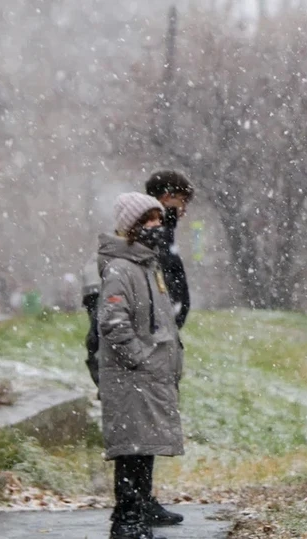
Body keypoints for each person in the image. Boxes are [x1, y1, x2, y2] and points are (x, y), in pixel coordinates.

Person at [98, 192, 185, 539]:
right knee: (131, 448)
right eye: (148, 220)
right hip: (132, 376)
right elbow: (113, 321)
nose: (156, 227)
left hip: (148, 377)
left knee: (144, 444)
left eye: (158, 219)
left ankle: (141, 507)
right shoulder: (122, 269)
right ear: (131, 226)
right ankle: (127, 515)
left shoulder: (148, 266)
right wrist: (140, 358)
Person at [83, 170, 194, 391]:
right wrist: (142, 360)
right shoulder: (133, 257)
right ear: (166, 197)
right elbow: (110, 321)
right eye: (181, 202)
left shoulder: (158, 245)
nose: (183, 211)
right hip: (141, 369)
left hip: (154, 362)